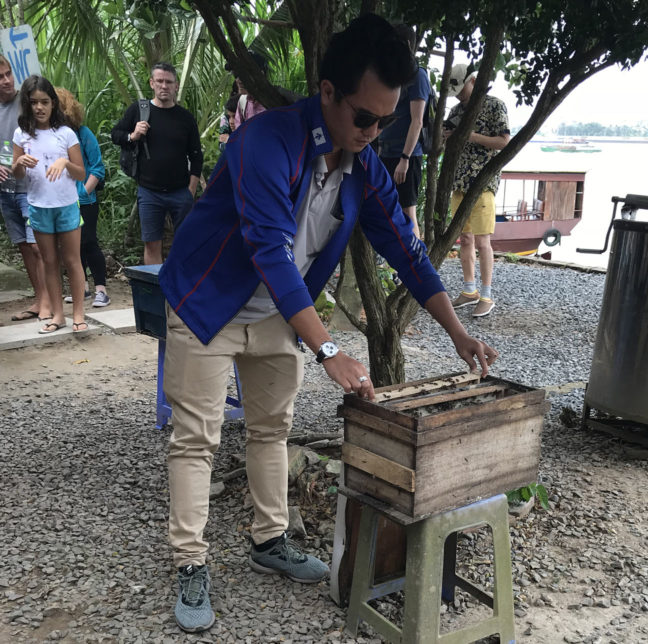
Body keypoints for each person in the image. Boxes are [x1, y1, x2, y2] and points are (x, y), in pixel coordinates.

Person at [158, 13, 498, 633]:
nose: (373, 131)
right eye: (363, 117)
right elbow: (270, 251)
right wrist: (329, 348)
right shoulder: (265, 143)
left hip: (280, 319)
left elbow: (407, 250)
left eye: (387, 120)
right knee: (197, 438)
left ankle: (269, 543)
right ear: (327, 93)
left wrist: (457, 331)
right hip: (209, 304)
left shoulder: (363, 166)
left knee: (271, 429)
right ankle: (189, 562)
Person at [11, 75, 86, 334]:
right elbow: (17, 175)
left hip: (66, 205)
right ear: (27, 104)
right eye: (34, 102)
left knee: (72, 260)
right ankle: (58, 316)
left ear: (53, 103)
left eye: (44, 102)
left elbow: (81, 173)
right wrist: (17, 164)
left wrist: (65, 162)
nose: (39, 107)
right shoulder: (21, 135)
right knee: (49, 261)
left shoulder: (65, 134)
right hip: (39, 205)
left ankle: (78, 314)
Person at [111, 62, 202, 265]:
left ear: (176, 86)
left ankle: (180, 290)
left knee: (185, 242)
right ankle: (156, 292)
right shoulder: (139, 110)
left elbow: (196, 155)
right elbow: (115, 135)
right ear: (151, 83)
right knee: (152, 243)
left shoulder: (185, 118)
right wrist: (133, 135)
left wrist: (191, 190)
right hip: (149, 191)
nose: (164, 86)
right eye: (159, 81)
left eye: (169, 82)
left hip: (181, 191)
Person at [444, 63, 510, 317]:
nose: (459, 96)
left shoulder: (495, 105)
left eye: (462, 89)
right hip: (459, 181)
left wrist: (469, 135)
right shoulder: (456, 110)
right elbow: (444, 135)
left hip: (482, 181)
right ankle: (469, 289)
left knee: (483, 240)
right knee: (465, 239)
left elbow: (503, 141)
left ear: (473, 81)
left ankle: (487, 294)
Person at [0, 55, 51, 322]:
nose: (7, 80)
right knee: (23, 245)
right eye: (0, 77)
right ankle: (39, 298)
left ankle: (48, 302)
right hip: (5, 190)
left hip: (30, 187)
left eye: (8, 73)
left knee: (37, 246)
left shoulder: (27, 103)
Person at [56, 87, 109, 308]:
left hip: (85, 200)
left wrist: (82, 193)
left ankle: (101, 290)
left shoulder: (84, 134)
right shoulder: (53, 137)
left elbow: (97, 169)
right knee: (72, 247)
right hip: (62, 200)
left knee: (88, 242)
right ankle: (83, 287)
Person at [377, 23, 431, 239]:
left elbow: (417, 121)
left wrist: (405, 158)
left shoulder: (418, 76)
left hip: (406, 155)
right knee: (389, 209)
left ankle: (414, 268)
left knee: (408, 212)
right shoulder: (393, 75)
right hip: (387, 151)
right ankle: (398, 264)